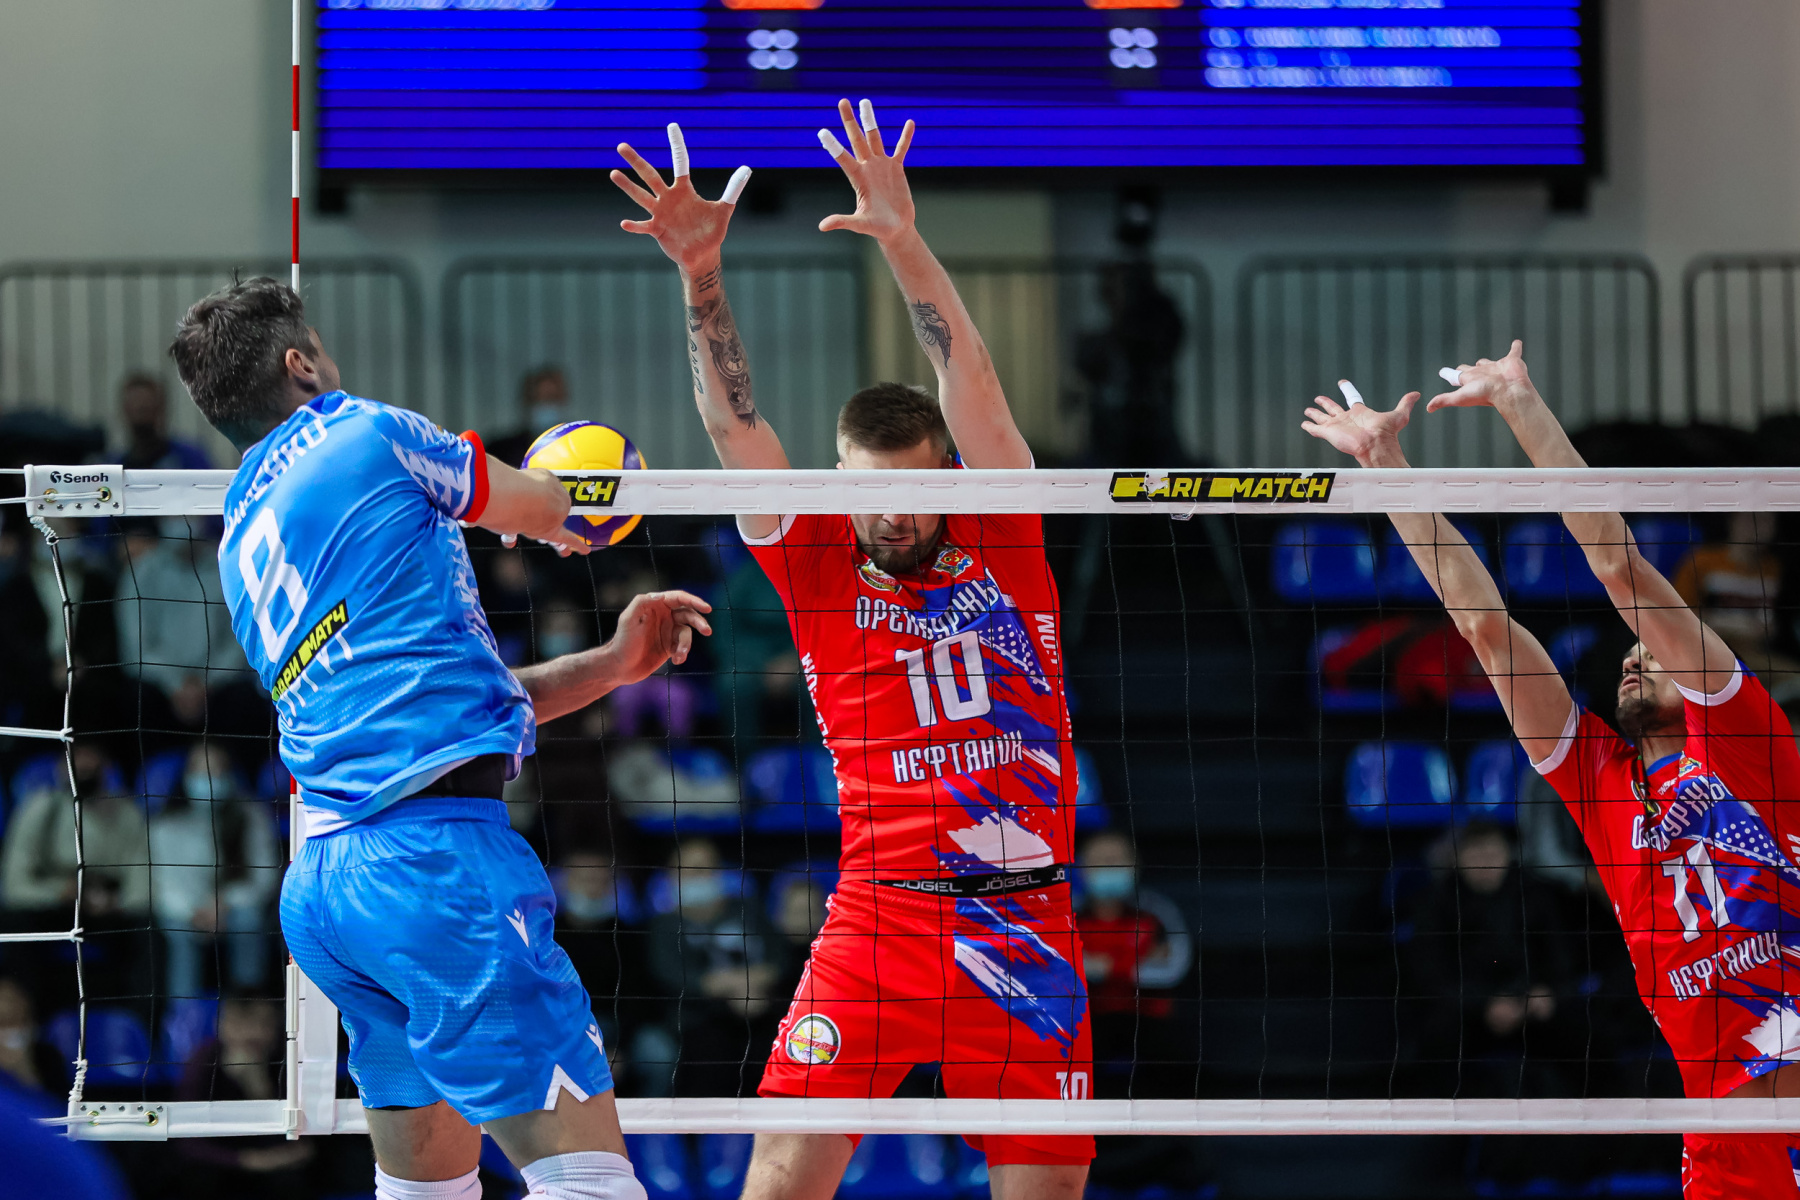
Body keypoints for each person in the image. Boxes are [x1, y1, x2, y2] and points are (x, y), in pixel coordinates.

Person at [612, 101, 1093, 1198]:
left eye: (917, 492)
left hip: (1028, 920)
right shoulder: (815, 557)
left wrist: (904, 240)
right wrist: (699, 274)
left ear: (951, 476)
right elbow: (735, 428)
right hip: (881, 918)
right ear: (840, 484)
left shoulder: (1005, 529)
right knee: (779, 1178)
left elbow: (971, 377)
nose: (895, 515)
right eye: (873, 495)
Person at [168, 276, 714, 1200]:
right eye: (321, 345)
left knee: (427, 1193)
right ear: (301, 364)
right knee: (590, 1183)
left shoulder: (239, 534)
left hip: (330, 890)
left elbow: (457, 708)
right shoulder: (365, 430)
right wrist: (590, 500)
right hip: (435, 872)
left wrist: (615, 666)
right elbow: (552, 508)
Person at [1301, 340, 1800, 1200]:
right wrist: (1386, 467)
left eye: (1653, 652)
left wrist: (1520, 406)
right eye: (1629, 657)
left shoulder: (1744, 738)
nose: (1635, 658)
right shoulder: (1599, 780)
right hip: (1720, 1125)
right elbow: (1484, 628)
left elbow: (1619, 568)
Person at [1401, 823, 1580, 1100]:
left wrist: (1546, 993)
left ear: (1508, 854)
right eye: (1476, 853)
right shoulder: (1435, 902)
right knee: (1437, 1034)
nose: (1485, 862)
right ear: (1458, 859)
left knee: (1583, 1029)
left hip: (1531, 1007)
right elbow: (1430, 976)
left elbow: (1562, 960)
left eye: (1492, 852)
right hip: (1467, 1012)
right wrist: (1484, 1004)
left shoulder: (1535, 895)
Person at [642, 840, 786, 1099]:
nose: (697, 876)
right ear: (672, 876)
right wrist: (736, 990)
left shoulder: (749, 909)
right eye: (687, 870)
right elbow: (672, 976)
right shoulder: (664, 925)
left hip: (763, 1014)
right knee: (710, 1055)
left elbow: (780, 959)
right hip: (698, 1021)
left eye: (703, 868)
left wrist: (752, 989)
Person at [148, 743, 281, 999]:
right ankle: (183, 1013)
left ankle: (247, 1003)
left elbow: (265, 876)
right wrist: (194, 912)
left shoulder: (252, 817)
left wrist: (225, 903)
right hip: (184, 913)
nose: (208, 777)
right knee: (179, 934)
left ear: (231, 776)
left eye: (217, 769)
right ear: (185, 775)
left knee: (249, 921)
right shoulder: (164, 826)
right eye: (199, 769)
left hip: (235, 908)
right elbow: (163, 885)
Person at [1072, 832, 1192, 1097]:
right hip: (1089, 1020)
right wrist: (1136, 963)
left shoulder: (1157, 911)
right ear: (1082, 867)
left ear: (1136, 865)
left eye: (1117, 859)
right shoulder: (1068, 915)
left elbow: (1173, 968)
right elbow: (1062, 971)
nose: (1109, 866)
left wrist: (1104, 966)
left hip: (1148, 1017)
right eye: (1100, 860)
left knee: (1178, 1061)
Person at [177, 994, 316, 1199]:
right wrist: (247, 1160)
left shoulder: (290, 1060)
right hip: (222, 1165)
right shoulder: (203, 1061)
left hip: (274, 1166)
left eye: (264, 1023)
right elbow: (187, 1141)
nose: (254, 1033)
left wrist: (258, 1086)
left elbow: (302, 1145)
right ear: (222, 1026)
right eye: (242, 1023)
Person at [116, 372, 212, 471]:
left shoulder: (189, 459)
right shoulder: (115, 468)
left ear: (161, 410)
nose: (142, 416)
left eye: (147, 409)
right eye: (136, 409)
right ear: (124, 412)